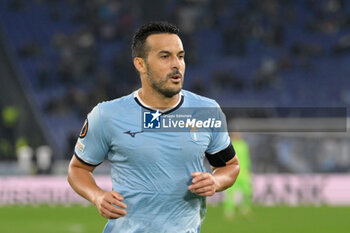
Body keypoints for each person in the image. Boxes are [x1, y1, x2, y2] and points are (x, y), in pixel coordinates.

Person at [68, 21, 240, 233]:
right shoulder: (107, 115)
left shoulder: (207, 111)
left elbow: (230, 166)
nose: (176, 64)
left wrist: (215, 181)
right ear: (140, 64)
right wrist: (97, 196)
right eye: (165, 56)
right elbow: (77, 169)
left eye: (181, 56)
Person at [224, 132, 252, 218]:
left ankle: (245, 208)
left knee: (247, 191)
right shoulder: (229, 145)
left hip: (243, 173)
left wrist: (248, 170)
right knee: (230, 193)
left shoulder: (244, 145)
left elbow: (247, 158)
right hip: (232, 173)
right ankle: (229, 210)